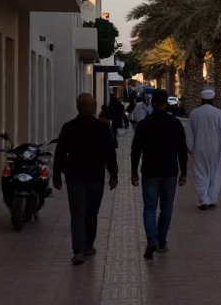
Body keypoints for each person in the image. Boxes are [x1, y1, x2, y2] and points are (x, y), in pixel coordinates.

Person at [52, 93, 119, 265]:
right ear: (93, 106)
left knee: (78, 213)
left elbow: (60, 152)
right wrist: (113, 173)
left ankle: (79, 251)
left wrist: (57, 174)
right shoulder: (102, 128)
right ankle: (87, 245)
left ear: (77, 107)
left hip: (75, 177)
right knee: (91, 213)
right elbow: (110, 152)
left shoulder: (69, 127)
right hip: (95, 177)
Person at [131, 90, 189, 259]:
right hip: (170, 171)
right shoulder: (175, 123)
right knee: (167, 208)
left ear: (152, 104)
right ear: (166, 104)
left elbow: (135, 150)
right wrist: (184, 172)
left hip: (149, 171)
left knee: (149, 207)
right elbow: (182, 150)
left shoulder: (143, 124)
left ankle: (152, 239)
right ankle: (161, 242)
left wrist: (134, 171)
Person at [187, 88, 221, 209]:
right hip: (215, 149)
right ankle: (212, 198)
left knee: (201, 172)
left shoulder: (194, 113)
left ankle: (203, 199)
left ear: (202, 98)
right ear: (212, 99)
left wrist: (189, 147)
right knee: (215, 173)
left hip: (199, 148)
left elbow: (190, 133)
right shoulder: (218, 113)